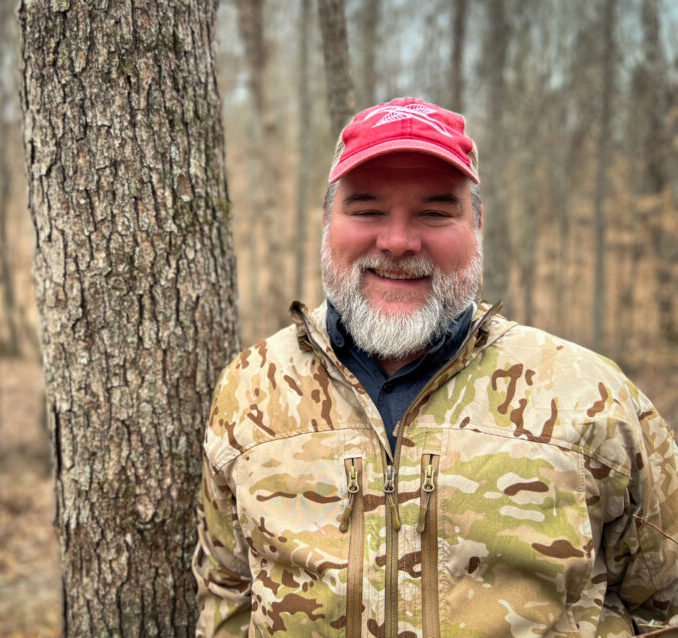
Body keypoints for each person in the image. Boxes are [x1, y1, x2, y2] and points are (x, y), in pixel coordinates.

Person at [192, 97, 678, 637]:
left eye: (434, 211)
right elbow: (228, 598)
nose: (398, 241)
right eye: (368, 209)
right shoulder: (252, 389)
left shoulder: (589, 398)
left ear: (477, 225)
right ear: (328, 221)